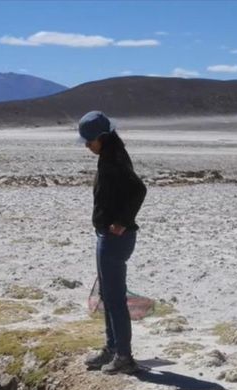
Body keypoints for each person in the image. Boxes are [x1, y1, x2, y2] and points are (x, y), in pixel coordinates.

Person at [78, 110, 147, 375]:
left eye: (89, 140)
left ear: (102, 138)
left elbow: (139, 190)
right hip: (107, 236)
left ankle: (124, 357)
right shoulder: (109, 155)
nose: (86, 145)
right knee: (107, 295)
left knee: (115, 297)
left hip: (115, 239)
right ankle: (112, 349)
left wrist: (121, 221)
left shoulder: (114, 160)